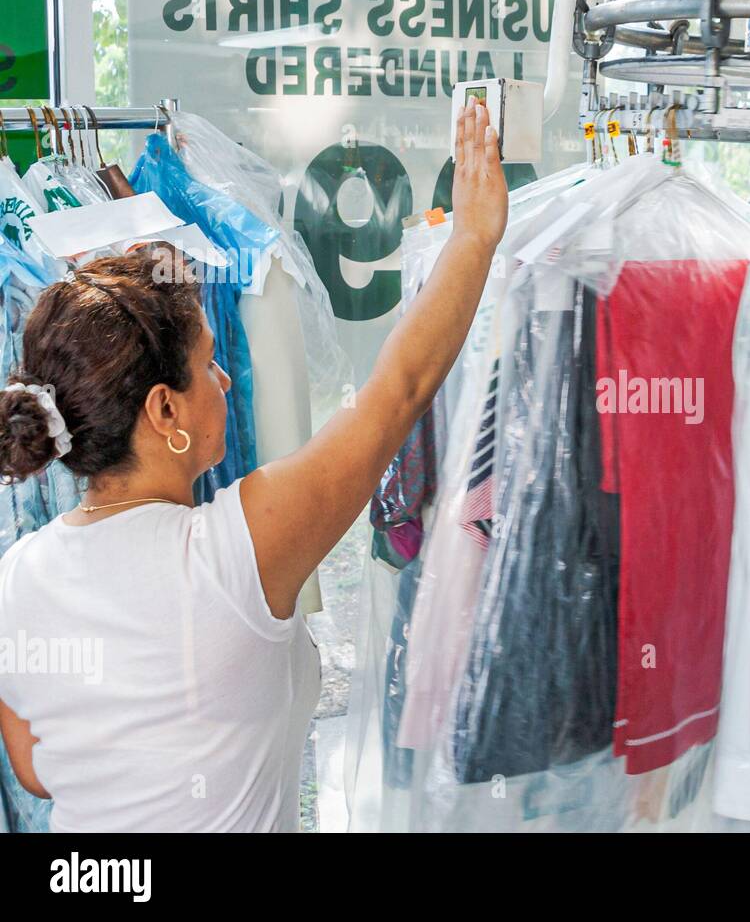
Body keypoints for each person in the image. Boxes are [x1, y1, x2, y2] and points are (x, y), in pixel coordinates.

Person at [0, 101, 508, 831]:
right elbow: (396, 396)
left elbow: (33, 769)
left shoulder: (17, 576)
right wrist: (474, 237)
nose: (227, 381)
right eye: (208, 366)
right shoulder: (234, 553)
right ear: (164, 412)